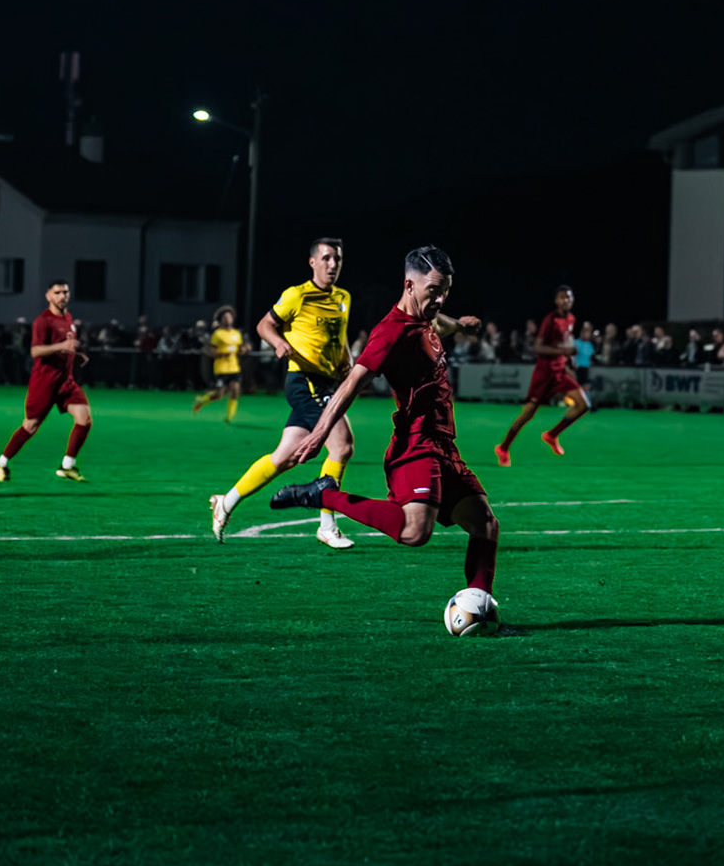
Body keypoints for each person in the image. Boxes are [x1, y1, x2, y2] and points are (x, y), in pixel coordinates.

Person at [265, 246, 502, 618]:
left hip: (444, 446)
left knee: (485, 524)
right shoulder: (391, 332)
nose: (440, 299)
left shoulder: (427, 318)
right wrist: (317, 434)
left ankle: (478, 609)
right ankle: (325, 496)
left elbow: (440, 323)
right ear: (409, 285)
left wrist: (460, 325)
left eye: (446, 292)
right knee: (414, 533)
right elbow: (351, 384)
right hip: (415, 443)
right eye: (434, 291)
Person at [208, 238, 355, 548]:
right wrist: (277, 343)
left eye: (337, 259)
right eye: (326, 258)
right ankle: (327, 525)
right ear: (312, 262)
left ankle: (226, 501)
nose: (332, 265)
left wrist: (347, 363)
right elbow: (265, 324)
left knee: (284, 457)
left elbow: (338, 339)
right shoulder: (297, 295)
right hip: (305, 380)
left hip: (328, 382)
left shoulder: (343, 298)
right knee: (341, 446)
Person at [0, 279, 94, 483]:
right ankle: (0, 463)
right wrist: (62, 346)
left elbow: (65, 346)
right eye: (57, 293)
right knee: (30, 426)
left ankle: (67, 466)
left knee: (85, 419)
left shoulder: (68, 318)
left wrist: (76, 354)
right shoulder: (43, 321)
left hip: (66, 382)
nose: (62, 296)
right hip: (45, 382)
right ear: (48, 296)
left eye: (65, 292)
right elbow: (36, 350)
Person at [495, 285, 589, 465]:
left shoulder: (571, 319)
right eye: (562, 297)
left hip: (560, 371)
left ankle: (552, 435)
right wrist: (564, 350)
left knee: (584, 405)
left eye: (568, 297)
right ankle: (504, 447)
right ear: (556, 300)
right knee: (529, 412)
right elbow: (538, 348)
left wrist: (569, 358)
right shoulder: (550, 320)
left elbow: (565, 342)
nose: (565, 301)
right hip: (545, 372)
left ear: (573, 300)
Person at [193, 305, 245, 419]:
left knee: (235, 390)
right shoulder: (217, 334)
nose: (228, 319)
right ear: (221, 320)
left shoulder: (237, 333)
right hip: (221, 368)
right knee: (219, 394)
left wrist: (243, 349)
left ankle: (230, 417)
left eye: (229, 316)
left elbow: (240, 349)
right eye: (225, 317)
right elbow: (211, 351)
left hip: (234, 367)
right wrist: (221, 354)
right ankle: (201, 400)